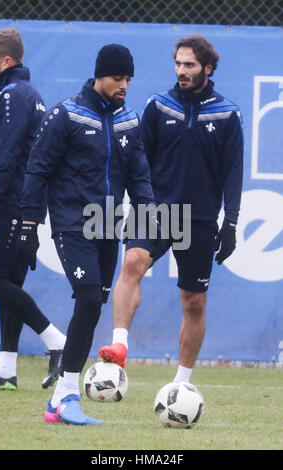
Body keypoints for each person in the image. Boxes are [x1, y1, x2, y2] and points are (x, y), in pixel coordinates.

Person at [21, 44, 155, 425]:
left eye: (128, 79)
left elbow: (140, 176)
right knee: (86, 296)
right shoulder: (66, 114)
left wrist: (151, 221)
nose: (123, 85)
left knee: (94, 303)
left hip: (108, 225)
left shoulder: (129, 120)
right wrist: (30, 225)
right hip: (71, 223)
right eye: (117, 78)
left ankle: (60, 403)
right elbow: (38, 169)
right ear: (99, 76)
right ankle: (64, 396)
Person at [99, 35, 244, 383]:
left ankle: (181, 385)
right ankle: (119, 346)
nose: (182, 70)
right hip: (155, 209)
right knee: (132, 262)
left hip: (200, 219)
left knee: (194, 303)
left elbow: (233, 174)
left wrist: (232, 224)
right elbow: (137, 160)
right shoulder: (158, 106)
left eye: (189, 65)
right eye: (178, 63)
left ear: (207, 68)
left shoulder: (227, 114)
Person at [0, 28, 66, 391]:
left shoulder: (12, 95)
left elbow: (5, 158)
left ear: (7, 60)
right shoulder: (23, 93)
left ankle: (57, 341)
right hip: (23, 202)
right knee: (10, 281)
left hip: (9, 202)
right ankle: (6, 369)